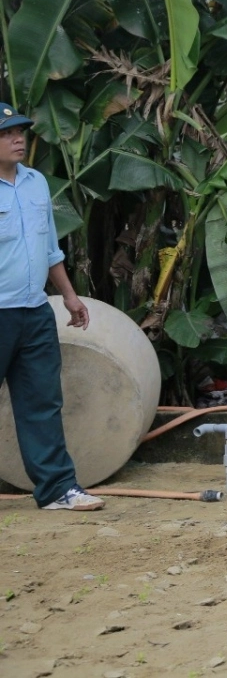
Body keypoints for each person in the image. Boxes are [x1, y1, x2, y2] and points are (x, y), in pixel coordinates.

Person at [0, 102, 103, 512]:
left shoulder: (36, 183)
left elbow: (48, 248)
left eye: (20, 131)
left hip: (35, 312)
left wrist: (69, 295)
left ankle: (59, 490)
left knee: (42, 402)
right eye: (7, 133)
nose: (18, 138)